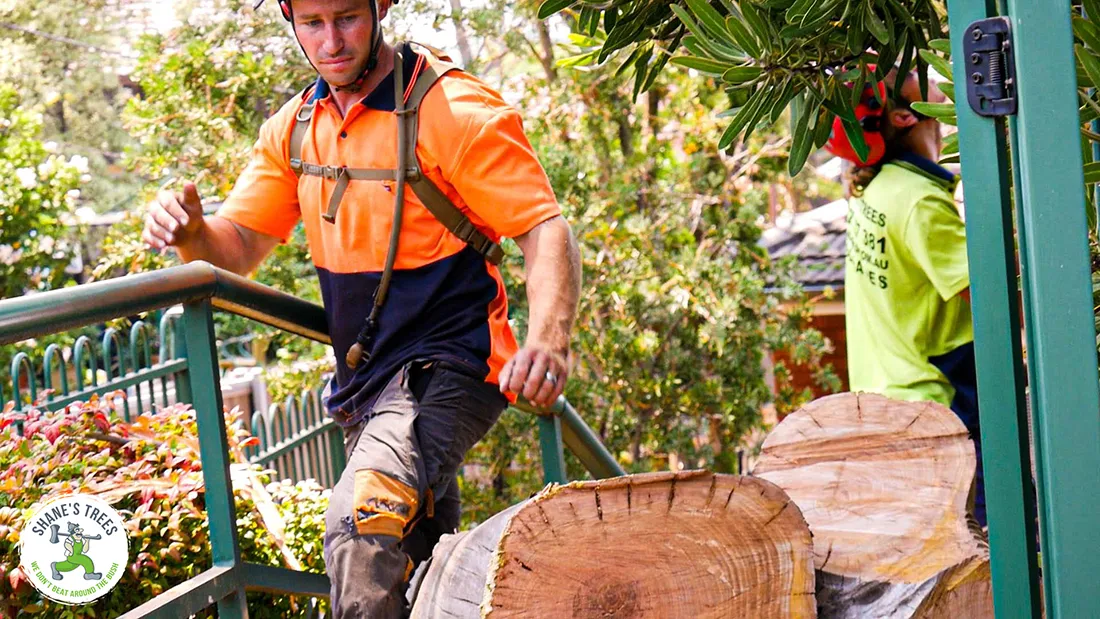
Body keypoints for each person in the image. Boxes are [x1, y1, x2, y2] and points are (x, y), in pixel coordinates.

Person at [141, 0, 582, 615]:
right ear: (291, 22)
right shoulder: (297, 128)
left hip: (452, 364)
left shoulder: (451, 111)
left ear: (381, 9)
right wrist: (189, 230)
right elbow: (236, 247)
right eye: (312, 24)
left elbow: (544, 227)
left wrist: (548, 339)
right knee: (425, 561)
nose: (331, 41)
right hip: (367, 383)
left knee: (360, 525)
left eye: (346, 17)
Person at [827, 69, 985, 527]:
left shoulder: (878, 191)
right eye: (911, 74)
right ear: (902, 115)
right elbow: (993, 299)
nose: (927, 69)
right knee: (993, 541)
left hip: (888, 399)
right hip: (940, 405)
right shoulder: (919, 201)